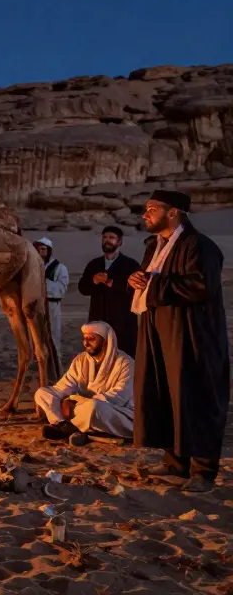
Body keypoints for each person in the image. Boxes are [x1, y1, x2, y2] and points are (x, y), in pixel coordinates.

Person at [130, 190, 230, 493]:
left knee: (195, 394)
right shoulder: (155, 246)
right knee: (166, 392)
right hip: (159, 328)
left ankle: (202, 471)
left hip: (192, 334)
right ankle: (175, 462)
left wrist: (153, 283)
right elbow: (149, 280)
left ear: (173, 213)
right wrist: (137, 280)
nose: (145, 215)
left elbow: (202, 286)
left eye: (151, 210)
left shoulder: (200, 246)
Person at [35, 321, 134, 445]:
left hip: (113, 411)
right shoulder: (81, 360)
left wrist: (72, 401)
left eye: (91, 339)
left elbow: (118, 397)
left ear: (105, 341)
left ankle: (74, 428)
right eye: (84, 339)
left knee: (94, 407)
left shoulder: (125, 363)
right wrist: (62, 398)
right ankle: (62, 424)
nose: (86, 343)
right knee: (42, 393)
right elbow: (65, 386)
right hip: (82, 408)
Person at [76, 226, 141, 356]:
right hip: (98, 319)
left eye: (111, 238)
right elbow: (82, 288)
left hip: (123, 321)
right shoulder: (94, 264)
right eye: (105, 237)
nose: (107, 240)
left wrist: (112, 283)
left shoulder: (130, 264)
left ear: (120, 242)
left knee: (122, 356)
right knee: (98, 355)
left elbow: (137, 290)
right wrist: (94, 281)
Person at [35, 238, 69, 360]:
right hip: (35, 306)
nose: (40, 252)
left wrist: (44, 284)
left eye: (43, 249)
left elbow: (62, 289)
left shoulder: (60, 268)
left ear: (49, 250)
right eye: (38, 249)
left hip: (52, 307)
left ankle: (55, 366)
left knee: (53, 337)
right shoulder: (32, 267)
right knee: (37, 337)